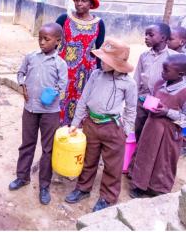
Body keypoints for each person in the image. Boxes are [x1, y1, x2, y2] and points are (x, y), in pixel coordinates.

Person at [65, 37, 137, 212]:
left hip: (112, 127)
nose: (101, 62)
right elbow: (83, 100)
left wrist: (125, 131)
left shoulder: (129, 84)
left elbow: (131, 110)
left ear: (117, 63)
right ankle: (83, 188)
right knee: (88, 159)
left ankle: (107, 197)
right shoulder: (96, 75)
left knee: (113, 166)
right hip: (91, 123)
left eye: (106, 60)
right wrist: (76, 122)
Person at [8, 23, 67, 205]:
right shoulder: (31, 57)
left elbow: (63, 86)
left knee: (48, 149)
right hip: (30, 109)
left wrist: (53, 93)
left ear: (57, 41)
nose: (41, 42)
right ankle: (22, 176)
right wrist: (23, 85)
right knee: (27, 143)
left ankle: (44, 185)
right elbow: (21, 73)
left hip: (50, 112)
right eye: (40, 38)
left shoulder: (60, 63)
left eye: (46, 39)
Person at [130, 54, 186, 198]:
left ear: (181, 74)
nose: (162, 73)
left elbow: (184, 120)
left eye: (166, 70)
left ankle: (157, 189)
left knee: (164, 161)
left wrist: (167, 112)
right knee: (145, 155)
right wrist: (147, 103)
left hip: (169, 135)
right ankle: (139, 185)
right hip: (151, 128)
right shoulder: (159, 83)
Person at [56, 0, 106, 125]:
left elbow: (99, 49)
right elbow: (53, 41)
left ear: (91, 4)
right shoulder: (64, 19)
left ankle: (76, 133)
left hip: (85, 73)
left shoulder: (98, 24)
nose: (79, 4)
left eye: (83, 1)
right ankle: (58, 131)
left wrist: (99, 73)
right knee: (60, 100)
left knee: (82, 102)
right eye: (77, 0)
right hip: (64, 69)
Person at [134, 23, 178, 142]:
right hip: (143, 100)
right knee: (139, 128)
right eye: (145, 35)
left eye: (151, 35)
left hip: (162, 104)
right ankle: (137, 154)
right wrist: (134, 98)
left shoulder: (174, 57)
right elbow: (137, 78)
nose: (146, 37)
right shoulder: (144, 56)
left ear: (163, 38)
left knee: (154, 131)